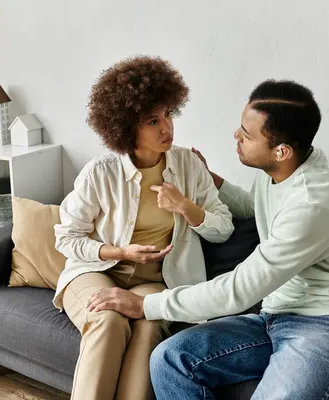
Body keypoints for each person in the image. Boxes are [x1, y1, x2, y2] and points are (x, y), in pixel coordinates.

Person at [87, 80, 329, 399]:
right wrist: (212, 181)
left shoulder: (313, 204)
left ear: (281, 150)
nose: (236, 136)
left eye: (246, 134)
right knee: (171, 359)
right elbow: (255, 206)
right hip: (278, 317)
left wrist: (147, 304)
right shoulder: (281, 171)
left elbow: (239, 289)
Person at [53, 55, 234, 400]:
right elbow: (67, 237)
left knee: (149, 326)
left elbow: (222, 227)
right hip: (97, 269)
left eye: (168, 114)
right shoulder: (100, 172)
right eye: (153, 120)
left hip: (155, 279)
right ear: (125, 127)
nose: (167, 127)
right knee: (107, 321)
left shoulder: (189, 166)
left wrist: (185, 206)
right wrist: (119, 251)